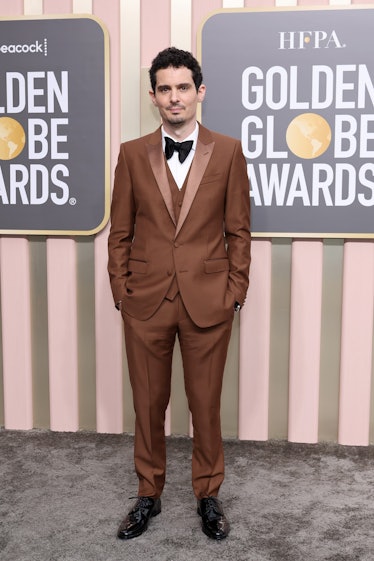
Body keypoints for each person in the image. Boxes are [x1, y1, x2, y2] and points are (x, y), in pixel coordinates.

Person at [108, 47, 251, 541]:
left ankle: (208, 496)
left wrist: (236, 291)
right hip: (145, 301)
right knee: (148, 404)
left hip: (210, 300)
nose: (175, 97)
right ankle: (148, 494)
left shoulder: (229, 151)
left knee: (205, 403)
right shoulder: (130, 153)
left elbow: (239, 230)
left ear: (199, 92)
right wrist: (121, 292)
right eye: (165, 88)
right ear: (153, 97)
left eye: (183, 87)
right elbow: (119, 231)